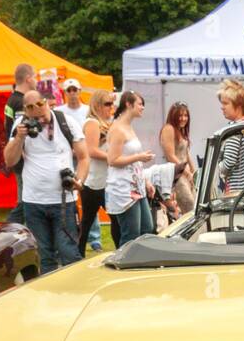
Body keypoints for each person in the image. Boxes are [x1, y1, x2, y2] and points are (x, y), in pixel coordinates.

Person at [3, 89, 89, 273]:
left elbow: (83, 157)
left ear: (47, 102)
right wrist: (19, 137)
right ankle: (49, 295)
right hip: (33, 200)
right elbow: (9, 160)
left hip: (63, 200)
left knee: (68, 251)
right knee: (44, 254)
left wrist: (79, 181)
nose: (37, 110)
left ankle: (76, 291)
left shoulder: (66, 121)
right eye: (30, 107)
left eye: (40, 104)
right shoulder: (21, 125)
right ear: (25, 110)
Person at [105, 91, 156, 244]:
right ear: (128, 104)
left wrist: (146, 181)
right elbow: (112, 160)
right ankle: (124, 263)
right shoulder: (118, 129)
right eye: (140, 104)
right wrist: (139, 157)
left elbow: (135, 160)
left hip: (137, 186)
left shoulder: (129, 127)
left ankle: (139, 262)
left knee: (147, 227)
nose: (142, 108)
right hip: (123, 188)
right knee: (130, 234)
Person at [78, 89, 119, 255]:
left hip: (103, 180)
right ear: (97, 105)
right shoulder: (92, 123)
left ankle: (78, 252)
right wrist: (113, 158)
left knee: (95, 220)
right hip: (95, 182)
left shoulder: (106, 122)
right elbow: (92, 151)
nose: (111, 107)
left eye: (112, 103)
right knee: (110, 219)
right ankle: (78, 252)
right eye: (107, 103)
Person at [3, 64, 37, 225]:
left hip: (19, 158)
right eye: (35, 77)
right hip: (24, 160)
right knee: (26, 202)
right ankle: (10, 227)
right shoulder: (20, 102)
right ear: (29, 78)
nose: (37, 81)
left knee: (25, 200)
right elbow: (22, 131)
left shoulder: (11, 99)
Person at [159, 102, 196, 214]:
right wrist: (186, 172)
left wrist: (193, 173)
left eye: (185, 115)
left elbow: (186, 153)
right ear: (173, 115)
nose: (183, 118)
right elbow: (170, 156)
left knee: (194, 205)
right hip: (177, 176)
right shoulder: (168, 128)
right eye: (180, 115)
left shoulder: (180, 130)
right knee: (189, 207)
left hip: (186, 175)